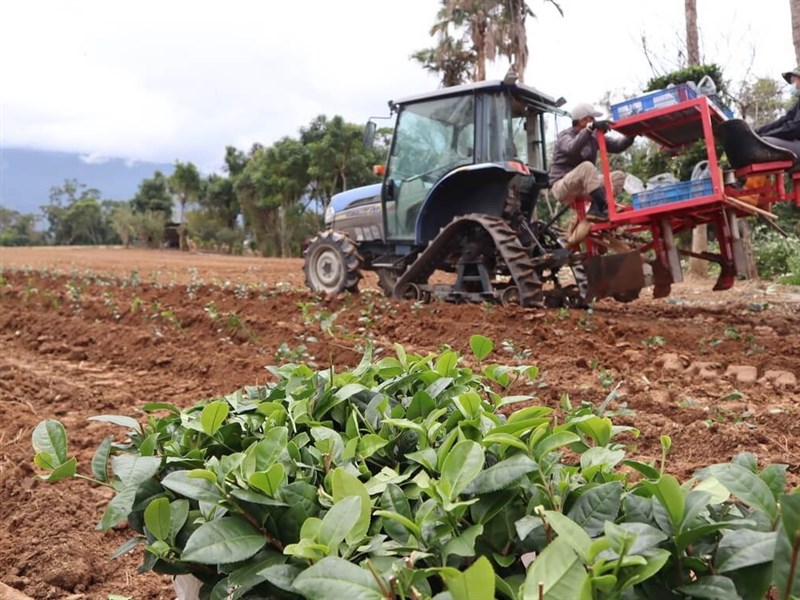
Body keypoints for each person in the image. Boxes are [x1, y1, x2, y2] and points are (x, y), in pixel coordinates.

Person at [549, 103, 636, 220]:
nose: (595, 121)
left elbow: (617, 146)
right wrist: (590, 129)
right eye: (592, 119)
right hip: (562, 186)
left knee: (618, 176)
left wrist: (631, 134)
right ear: (582, 121)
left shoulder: (592, 137)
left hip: (584, 186)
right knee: (587, 167)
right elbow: (571, 148)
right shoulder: (565, 136)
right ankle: (603, 207)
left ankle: (596, 210)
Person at [755, 66, 800, 160]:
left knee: (765, 142)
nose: (792, 85)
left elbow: (793, 129)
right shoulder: (797, 105)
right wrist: (756, 132)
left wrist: (765, 135)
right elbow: (783, 121)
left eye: (793, 81)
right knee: (762, 140)